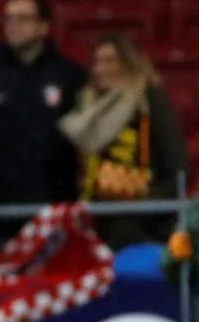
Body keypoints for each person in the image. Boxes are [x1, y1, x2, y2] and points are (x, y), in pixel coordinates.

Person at [0, 0, 87, 243]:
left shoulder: (70, 76)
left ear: (43, 26)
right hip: (1, 204)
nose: (13, 25)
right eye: (9, 18)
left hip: (58, 199)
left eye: (23, 18)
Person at [59, 32, 189, 250]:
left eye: (111, 60)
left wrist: (139, 212)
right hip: (94, 219)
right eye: (97, 62)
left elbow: (176, 166)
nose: (101, 69)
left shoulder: (150, 101)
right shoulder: (86, 105)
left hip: (141, 224)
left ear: (130, 63)